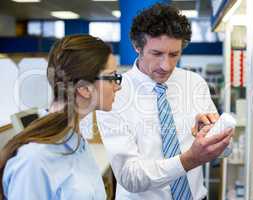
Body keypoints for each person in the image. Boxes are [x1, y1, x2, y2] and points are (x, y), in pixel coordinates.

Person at [97, 3, 233, 200]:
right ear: (137, 46)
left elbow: (224, 152)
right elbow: (130, 177)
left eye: (174, 54)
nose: (166, 65)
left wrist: (215, 135)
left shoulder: (193, 83)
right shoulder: (114, 94)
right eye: (157, 54)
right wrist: (189, 159)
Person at [0, 35, 122, 200]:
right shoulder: (34, 161)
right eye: (112, 77)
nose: (118, 86)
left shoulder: (77, 142)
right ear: (84, 88)